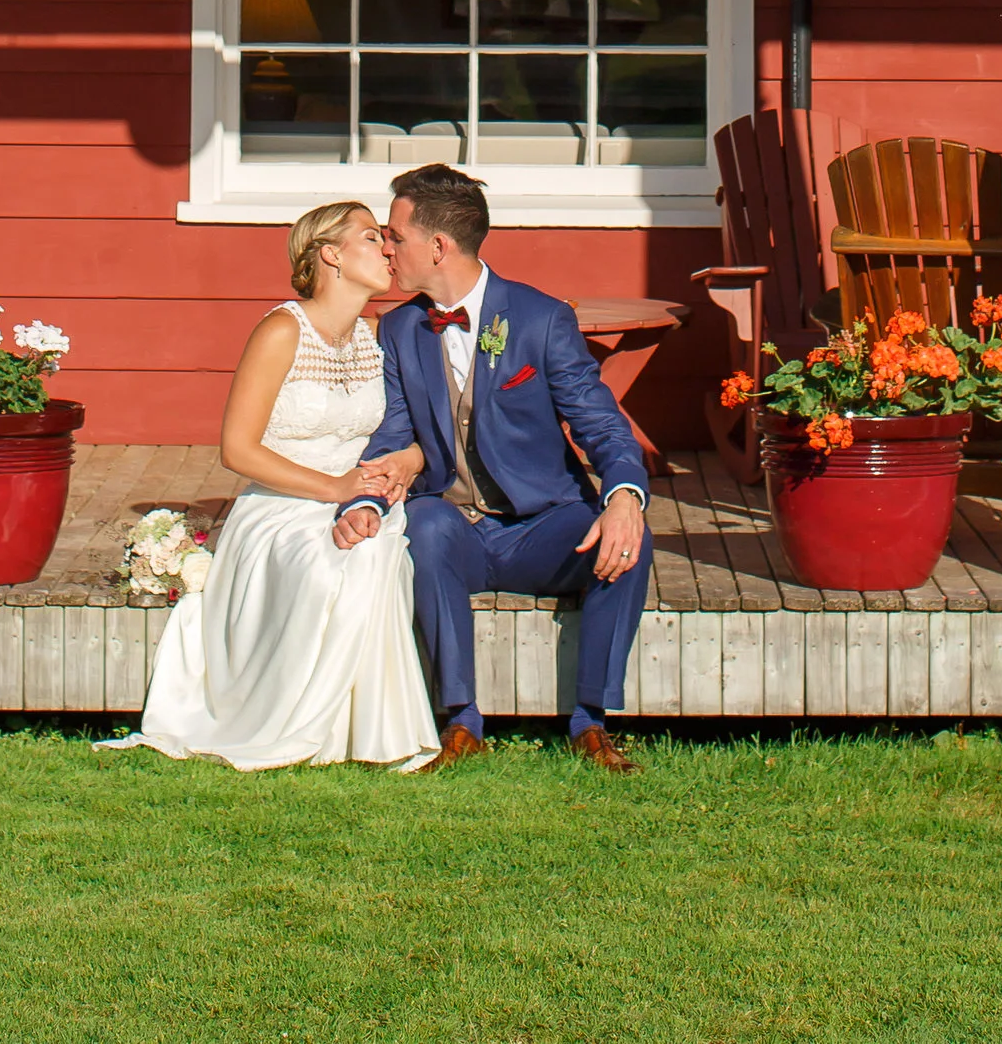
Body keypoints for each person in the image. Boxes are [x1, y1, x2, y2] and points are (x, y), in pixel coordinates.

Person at [334, 162, 654, 776]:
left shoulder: (541, 319)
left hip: (544, 525)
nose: (385, 246)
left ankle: (592, 722)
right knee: (424, 525)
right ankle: (459, 721)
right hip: (453, 524)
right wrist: (367, 503)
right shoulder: (399, 330)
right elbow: (395, 435)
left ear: (438, 246)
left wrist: (624, 499)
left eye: (393, 235)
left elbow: (603, 426)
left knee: (626, 540)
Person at [111, 199, 435, 769]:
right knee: (327, 562)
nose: (387, 248)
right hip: (281, 506)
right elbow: (237, 450)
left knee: (378, 551)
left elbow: (413, 426)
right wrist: (332, 490)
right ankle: (295, 726)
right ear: (330, 255)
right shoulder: (282, 331)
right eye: (370, 237)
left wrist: (406, 459)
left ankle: (365, 734)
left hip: (362, 498)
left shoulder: (379, 334)